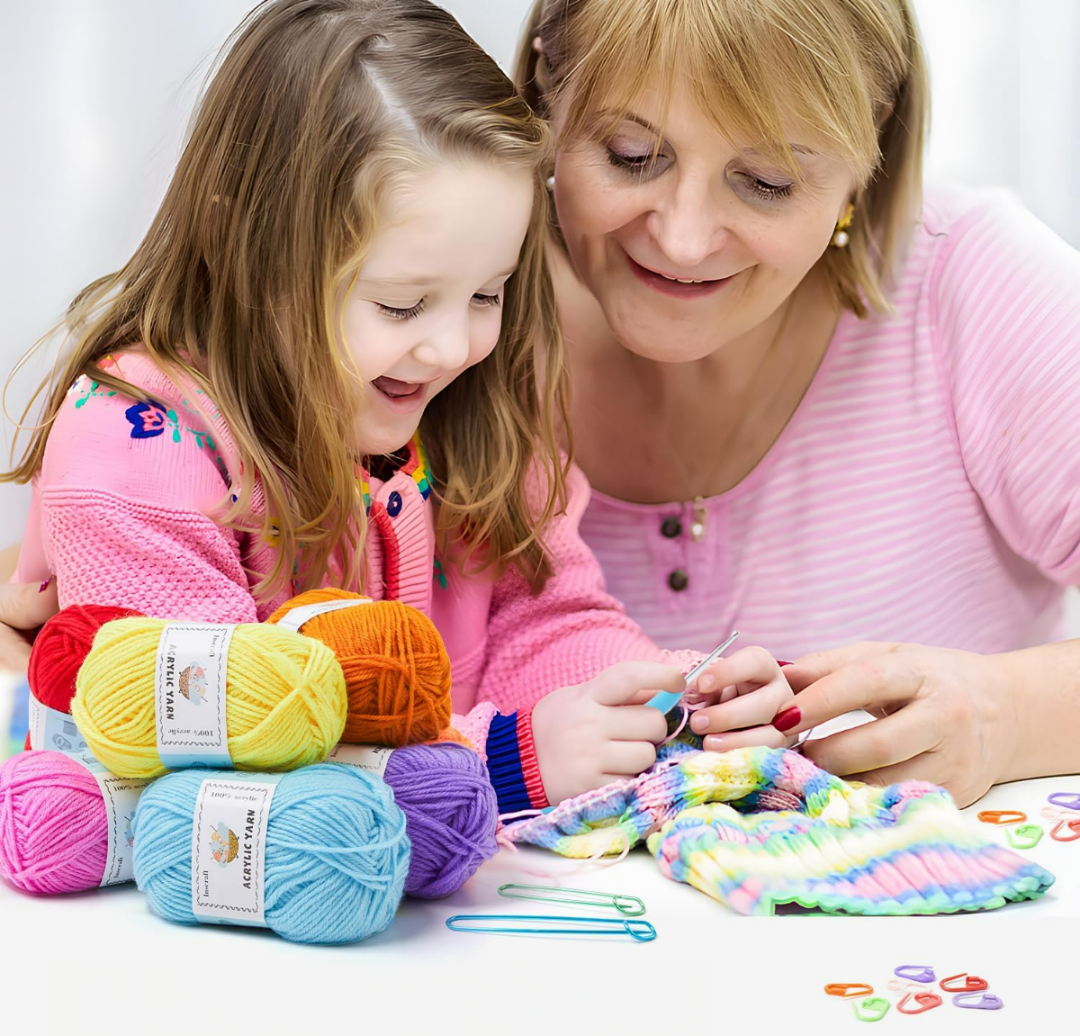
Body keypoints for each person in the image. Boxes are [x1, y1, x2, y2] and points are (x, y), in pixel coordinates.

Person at [0, 0, 789, 810]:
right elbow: (218, 751)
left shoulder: (472, 406)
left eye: (487, 294)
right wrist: (505, 760)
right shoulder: (134, 449)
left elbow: (542, 620)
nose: (451, 348)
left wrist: (670, 700)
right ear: (248, 251)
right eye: (402, 305)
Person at [508, 0, 1080, 806]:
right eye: (632, 156)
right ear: (547, 93)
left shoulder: (971, 287)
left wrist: (1007, 713)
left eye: (766, 182)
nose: (683, 239)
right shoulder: (437, 330)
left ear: (869, 139)